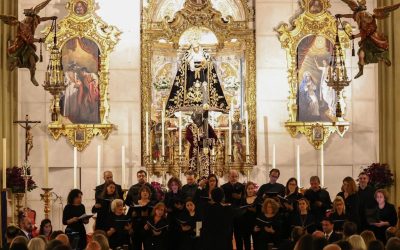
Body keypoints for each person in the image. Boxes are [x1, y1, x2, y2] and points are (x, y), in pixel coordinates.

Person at [221, 170, 245, 250]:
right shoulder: (223, 187)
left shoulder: (242, 186)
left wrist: (240, 197)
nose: (234, 178)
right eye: (232, 176)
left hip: (239, 214)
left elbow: (245, 199)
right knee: (228, 235)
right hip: (228, 213)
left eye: (235, 176)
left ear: (238, 177)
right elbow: (221, 200)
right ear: (228, 177)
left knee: (239, 235)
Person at [130, 185, 154, 250]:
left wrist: (147, 219)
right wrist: (132, 214)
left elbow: (154, 216)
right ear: (140, 193)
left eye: (147, 191)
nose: (145, 193)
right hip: (136, 227)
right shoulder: (135, 203)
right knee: (136, 247)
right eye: (143, 191)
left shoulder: (152, 204)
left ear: (149, 194)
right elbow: (129, 216)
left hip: (147, 227)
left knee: (148, 246)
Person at [163, 177, 184, 250]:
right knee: (171, 238)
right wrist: (167, 208)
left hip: (180, 217)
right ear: (170, 186)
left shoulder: (182, 193)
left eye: (175, 184)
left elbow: (184, 203)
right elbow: (165, 205)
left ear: (178, 185)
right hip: (171, 218)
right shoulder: (168, 194)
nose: (174, 186)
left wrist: (180, 206)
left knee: (179, 239)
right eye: (172, 185)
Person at [237, 181, 257, 250]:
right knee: (246, 242)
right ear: (246, 190)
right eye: (249, 189)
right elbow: (240, 211)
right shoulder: (243, 199)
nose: (250, 190)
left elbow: (260, 212)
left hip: (255, 224)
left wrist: (254, 210)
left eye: (252, 188)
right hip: (245, 224)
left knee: (256, 243)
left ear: (254, 189)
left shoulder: (257, 199)